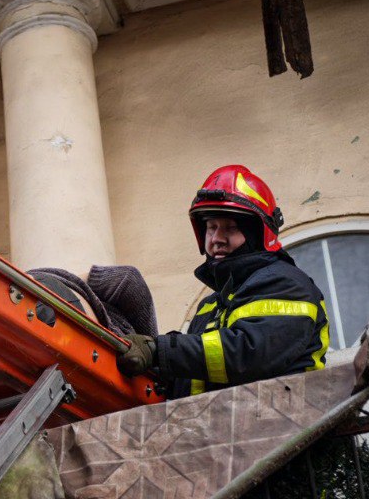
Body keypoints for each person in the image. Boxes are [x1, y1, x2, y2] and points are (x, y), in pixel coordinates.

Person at [116, 165, 329, 399]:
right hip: (223, 421)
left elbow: (247, 355)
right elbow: (198, 374)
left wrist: (160, 350)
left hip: (284, 419)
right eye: (211, 227)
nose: (216, 238)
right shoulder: (211, 305)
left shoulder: (287, 284)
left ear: (258, 234)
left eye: (231, 227)